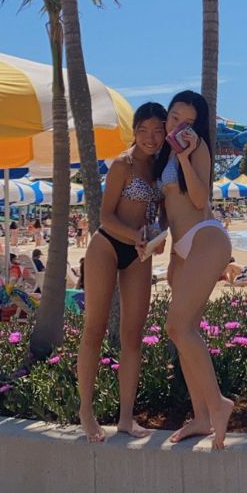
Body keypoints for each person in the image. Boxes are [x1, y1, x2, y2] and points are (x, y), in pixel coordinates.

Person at [77, 102, 167, 443]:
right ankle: (86, 410)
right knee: (94, 329)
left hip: (140, 254)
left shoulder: (161, 169)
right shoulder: (122, 164)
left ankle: (127, 418)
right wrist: (136, 237)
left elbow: (160, 215)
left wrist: (158, 237)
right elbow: (105, 217)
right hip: (108, 246)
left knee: (133, 335)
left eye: (158, 130)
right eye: (144, 130)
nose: (150, 137)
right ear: (135, 130)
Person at [158, 90, 234, 449]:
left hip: (206, 238)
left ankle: (218, 405)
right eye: (174, 118)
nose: (178, 126)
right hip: (183, 249)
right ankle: (201, 416)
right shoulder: (159, 157)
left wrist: (185, 155)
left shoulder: (197, 147)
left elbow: (200, 200)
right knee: (184, 333)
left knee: (176, 326)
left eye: (187, 122)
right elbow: (168, 214)